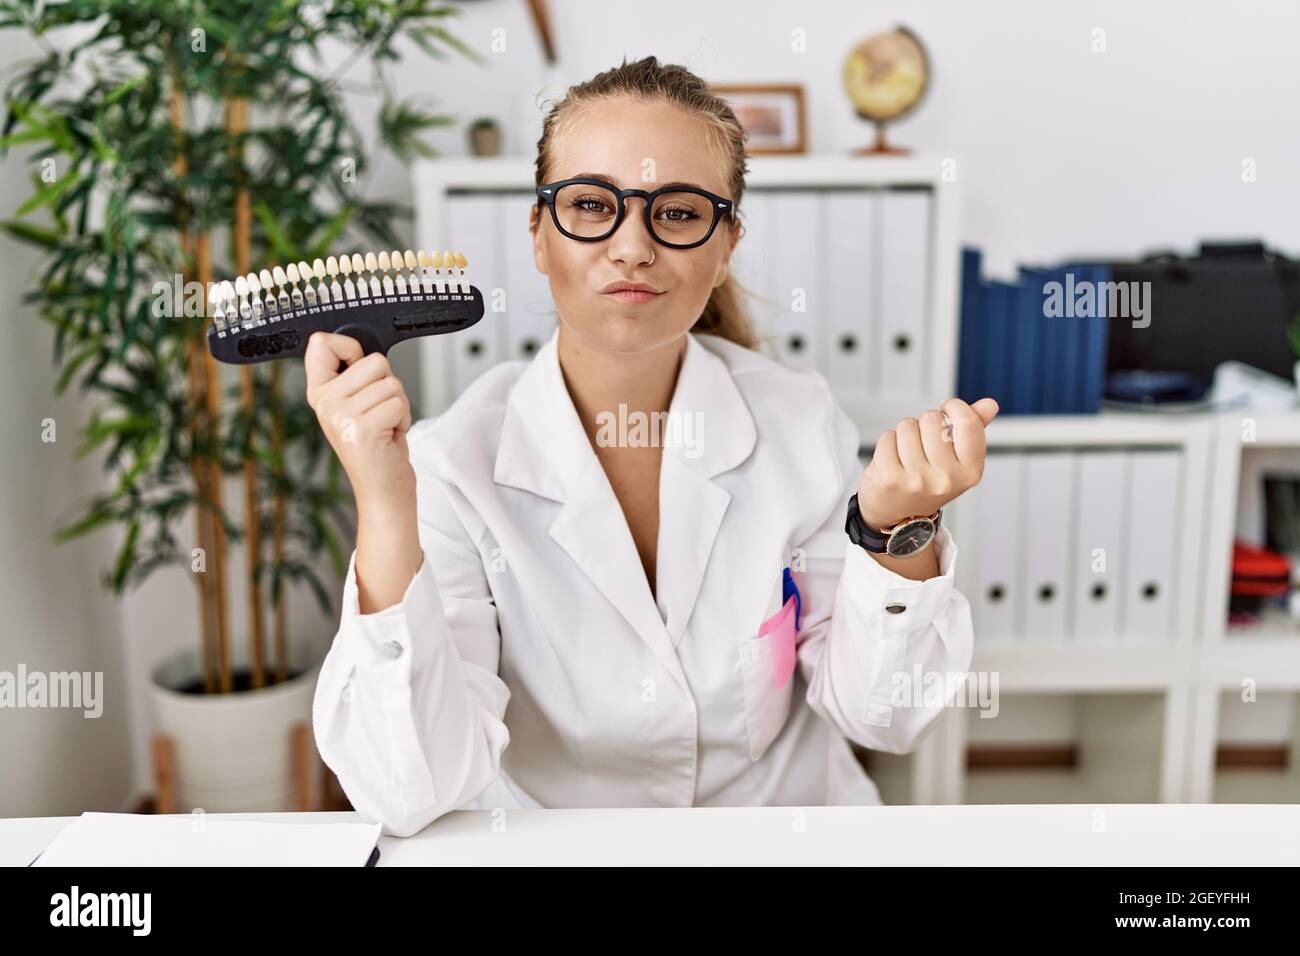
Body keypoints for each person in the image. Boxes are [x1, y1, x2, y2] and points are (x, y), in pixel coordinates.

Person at [307, 56, 998, 837]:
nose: (631, 246)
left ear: (726, 241)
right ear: (539, 234)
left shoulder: (798, 423)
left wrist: (893, 534)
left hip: (778, 835)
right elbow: (410, 788)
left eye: (675, 213)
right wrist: (386, 501)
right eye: (592, 205)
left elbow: (886, 720)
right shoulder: (451, 466)